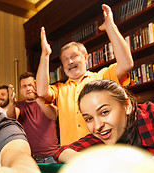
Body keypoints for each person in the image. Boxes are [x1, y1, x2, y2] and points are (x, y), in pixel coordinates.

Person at [36, 4, 134, 145]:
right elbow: (41, 90)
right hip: (70, 155)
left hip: (101, 152)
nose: (69, 61)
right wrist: (45, 54)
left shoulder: (101, 78)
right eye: (65, 59)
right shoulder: (59, 89)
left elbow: (126, 64)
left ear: (86, 57)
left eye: (74, 56)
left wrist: (111, 27)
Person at [55, 79, 154, 163]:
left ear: (127, 106)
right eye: (89, 118)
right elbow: (61, 152)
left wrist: (140, 162)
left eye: (104, 112)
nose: (97, 126)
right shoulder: (106, 132)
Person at [7, 72, 59, 163]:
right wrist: (12, 103)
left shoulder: (47, 100)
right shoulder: (19, 105)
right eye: (24, 86)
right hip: (31, 157)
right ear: (21, 91)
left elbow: (53, 115)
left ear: (36, 85)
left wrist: (38, 98)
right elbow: (11, 118)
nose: (28, 88)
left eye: (30, 85)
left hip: (52, 156)